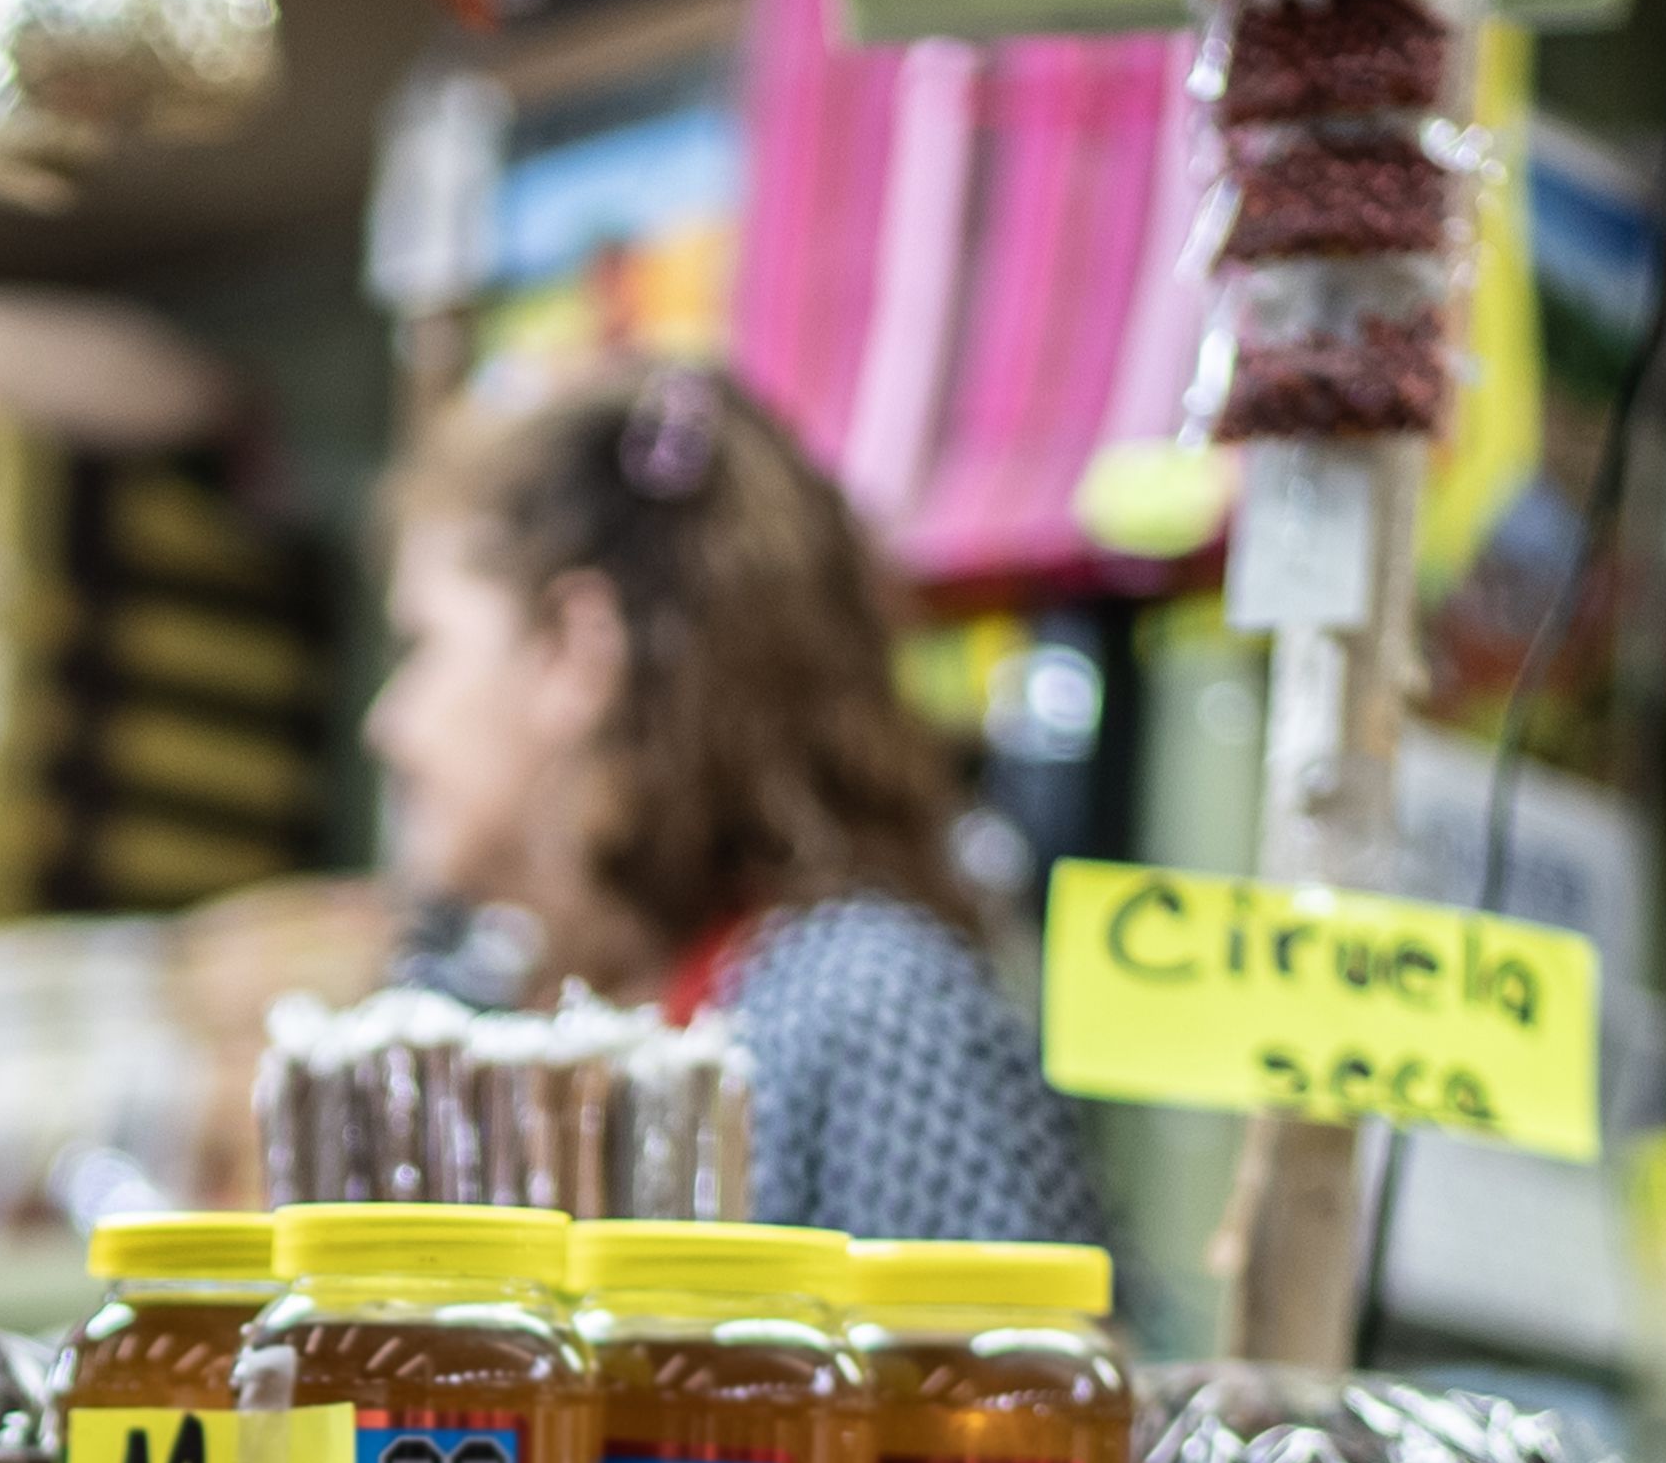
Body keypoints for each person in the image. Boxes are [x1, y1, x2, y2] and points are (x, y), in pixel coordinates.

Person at [366, 361, 1111, 1255]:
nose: (386, 724)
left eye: (424, 645)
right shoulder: (496, 997)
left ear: (575, 649)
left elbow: (1015, 1387)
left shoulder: (866, 1013)